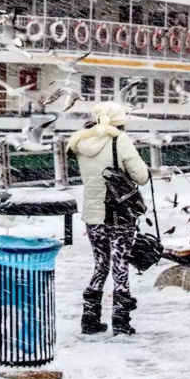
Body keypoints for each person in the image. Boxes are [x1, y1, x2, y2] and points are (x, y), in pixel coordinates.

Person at [67, 101, 149, 336]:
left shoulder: (80, 142)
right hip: (119, 213)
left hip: (93, 214)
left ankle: (90, 318)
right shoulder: (119, 140)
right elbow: (141, 176)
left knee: (101, 265)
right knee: (120, 266)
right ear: (119, 121)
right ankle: (121, 321)